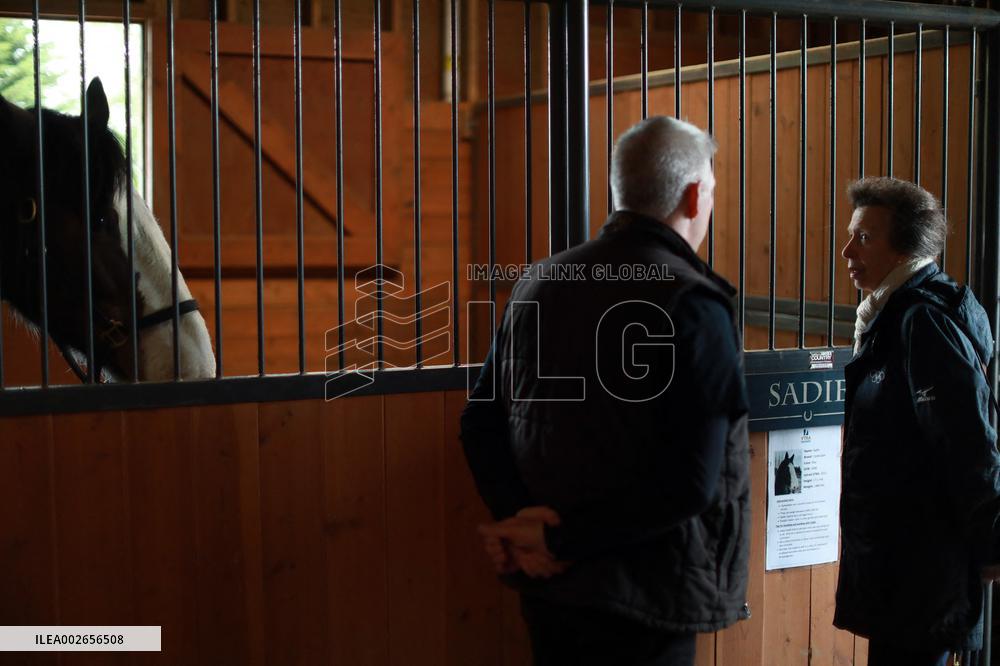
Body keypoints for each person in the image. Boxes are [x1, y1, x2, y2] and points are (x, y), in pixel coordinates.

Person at [459, 116, 751, 666]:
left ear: (621, 191)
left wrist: (524, 525)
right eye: (710, 191)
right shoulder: (693, 302)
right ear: (694, 195)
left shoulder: (538, 282)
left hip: (549, 588)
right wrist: (556, 540)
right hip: (651, 595)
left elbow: (480, 424)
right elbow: (691, 483)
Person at [836, 177, 1000, 666]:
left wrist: (991, 540)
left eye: (864, 237)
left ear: (905, 247)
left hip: (922, 570)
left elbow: (967, 439)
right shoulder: (891, 315)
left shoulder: (922, 321)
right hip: (900, 565)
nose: (847, 251)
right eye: (851, 235)